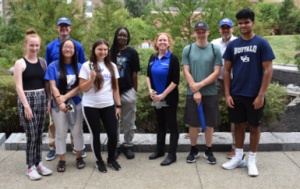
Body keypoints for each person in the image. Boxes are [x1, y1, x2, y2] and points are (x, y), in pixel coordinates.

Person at [221, 8, 274, 177]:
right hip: (237, 93)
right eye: (241, 23)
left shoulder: (262, 43)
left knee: (255, 126)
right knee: (238, 125)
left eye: (246, 22)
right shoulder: (233, 45)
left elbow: (268, 70)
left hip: (254, 95)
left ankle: (251, 159)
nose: (243, 25)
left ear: (253, 23)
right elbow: (226, 71)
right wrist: (227, 94)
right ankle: (238, 157)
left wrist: (260, 95)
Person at [45, 17, 86, 161]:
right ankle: (53, 149)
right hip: (58, 97)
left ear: (70, 28)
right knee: (56, 127)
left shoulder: (78, 46)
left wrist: (67, 96)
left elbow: (82, 76)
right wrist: (56, 99)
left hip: (74, 98)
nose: (64, 28)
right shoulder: (51, 47)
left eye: (66, 26)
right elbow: (51, 77)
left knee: (76, 128)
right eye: (61, 26)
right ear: (57, 27)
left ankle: (77, 148)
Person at [14, 29, 52, 180]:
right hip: (27, 100)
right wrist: (26, 106)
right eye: (32, 45)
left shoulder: (42, 62)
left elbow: (46, 83)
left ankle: (38, 163)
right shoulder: (20, 63)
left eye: (37, 45)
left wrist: (49, 100)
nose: (34, 48)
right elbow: (18, 86)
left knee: (39, 135)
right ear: (26, 45)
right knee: (31, 135)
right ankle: (30, 167)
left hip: (42, 98)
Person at [182, 21, 222, 164]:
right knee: (193, 124)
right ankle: (193, 150)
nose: (200, 34)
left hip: (210, 92)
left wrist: (200, 85)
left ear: (208, 32)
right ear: (194, 33)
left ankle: (208, 150)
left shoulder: (214, 49)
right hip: (192, 92)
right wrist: (195, 88)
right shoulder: (188, 49)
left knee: (210, 124)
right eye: (198, 31)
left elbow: (217, 72)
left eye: (203, 31)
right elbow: (186, 70)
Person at [79, 39, 122, 173]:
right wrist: (91, 79)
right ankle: (98, 161)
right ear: (94, 50)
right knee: (95, 134)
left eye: (105, 49)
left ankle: (111, 158)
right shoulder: (87, 66)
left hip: (108, 105)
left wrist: (118, 105)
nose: (102, 52)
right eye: (100, 49)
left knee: (113, 134)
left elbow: (115, 88)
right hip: (90, 106)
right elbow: (83, 89)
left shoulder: (112, 66)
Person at [146, 33, 180, 166]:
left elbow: (175, 81)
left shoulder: (173, 59)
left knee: (172, 126)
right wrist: (150, 90)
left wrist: (163, 95)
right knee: (160, 124)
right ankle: (159, 150)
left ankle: (172, 155)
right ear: (156, 42)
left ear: (169, 43)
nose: (162, 42)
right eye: (160, 40)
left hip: (169, 98)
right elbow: (148, 76)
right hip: (156, 98)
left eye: (165, 40)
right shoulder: (152, 57)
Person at [110, 27, 140, 160]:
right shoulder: (109, 52)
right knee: (114, 121)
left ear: (128, 37)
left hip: (128, 91)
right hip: (111, 92)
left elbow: (134, 74)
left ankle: (128, 145)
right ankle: (115, 145)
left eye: (125, 36)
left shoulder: (132, 53)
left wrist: (134, 92)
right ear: (116, 36)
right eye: (120, 35)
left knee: (129, 121)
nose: (122, 38)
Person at [211, 18, 237, 159]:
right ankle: (203, 132)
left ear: (232, 29)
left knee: (235, 113)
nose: (225, 30)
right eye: (223, 27)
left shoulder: (239, 42)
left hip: (235, 82)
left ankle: (234, 146)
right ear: (219, 29)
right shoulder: (214, 43)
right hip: (217, 80)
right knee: (208, 105)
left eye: (228, 27)